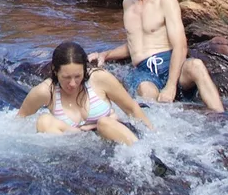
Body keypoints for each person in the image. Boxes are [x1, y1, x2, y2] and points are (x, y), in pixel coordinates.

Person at [88, 0, 225, 112]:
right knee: (147, 91)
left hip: (170, 66)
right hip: (144, 72)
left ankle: (222, 116)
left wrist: (170, 87)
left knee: (196, 65)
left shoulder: (166, 1)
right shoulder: (127, 3)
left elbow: (180, 46)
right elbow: (134, 42)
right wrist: (105, 55)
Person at [17, 41, 154, 146]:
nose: (72, 83)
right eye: (66, 77)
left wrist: (153, 137)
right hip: (77, 146)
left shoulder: (100, 78)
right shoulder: (44, 91)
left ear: (85, 69)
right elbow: (18, 122)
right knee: (44, 121)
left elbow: (132, 109)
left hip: (116, 138)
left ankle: (146, 157)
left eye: (77, 76)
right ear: (55, 71)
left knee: (105, 123)